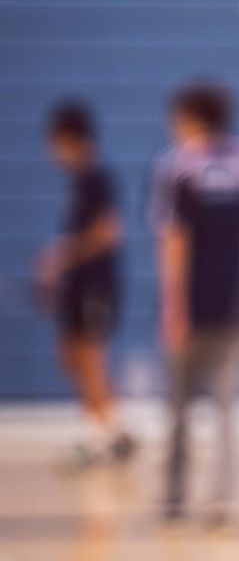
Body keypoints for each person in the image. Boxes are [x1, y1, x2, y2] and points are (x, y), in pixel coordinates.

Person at [149, 82, 239, 528]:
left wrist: (172, 306)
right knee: (226, 410)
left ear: (191, 117)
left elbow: (173, 240)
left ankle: (175, 499)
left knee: (179, 409)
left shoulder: (177, 165)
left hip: (194, 307)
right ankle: (221, 502)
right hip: (234, 304)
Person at [36, 100, 135, 468]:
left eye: (54, 142)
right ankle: (114, 431)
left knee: (92, 358)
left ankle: (100, 440)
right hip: (78, 285)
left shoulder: (97, 177)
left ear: (68, 139)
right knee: (71, 354)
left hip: (98, 284)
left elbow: (109, 231)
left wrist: (61, 255)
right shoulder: (78, 181)